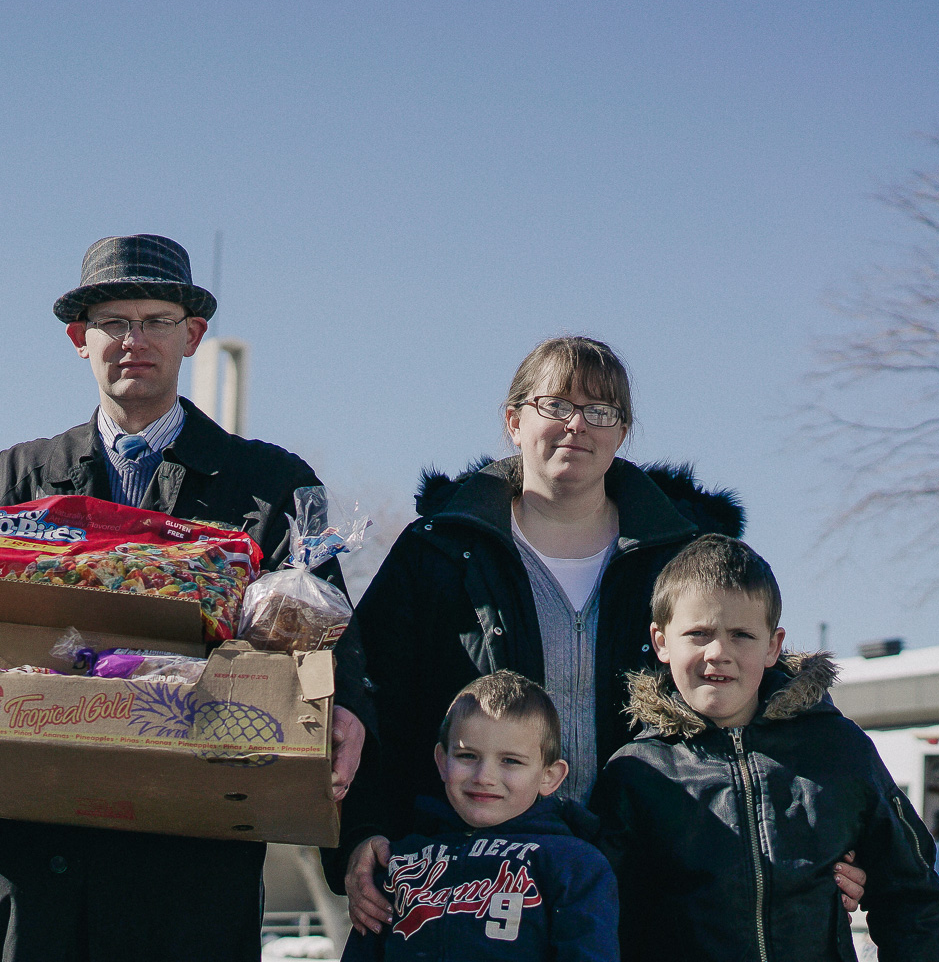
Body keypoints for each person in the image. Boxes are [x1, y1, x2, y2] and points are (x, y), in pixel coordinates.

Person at [0, 233, 372, 962]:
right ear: (78, 339)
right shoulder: (10, 483)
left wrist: (351, 710)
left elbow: (333, 644)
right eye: (113, 323)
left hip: (182, 864)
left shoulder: (269, 486)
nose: (133, 340)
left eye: (155, 321)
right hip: (17, 863)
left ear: (192, 336)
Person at [339, 336, 867, 932]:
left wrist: (829, 838)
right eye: (555, 405)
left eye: (600, 411)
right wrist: (362, 829)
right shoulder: (439, 552)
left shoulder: (686, 557)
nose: (577, 425)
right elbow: (367, 699)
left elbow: (764, 696)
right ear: (514, 421)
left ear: (622, 433)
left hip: (659, 876)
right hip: (476, 883)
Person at [589, 535, 939, 961]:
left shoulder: (838, 751)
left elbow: (910, 896)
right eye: (698, 634)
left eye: (741, 635)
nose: (718, 652)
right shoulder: (636, 773)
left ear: (773, 646)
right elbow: (598, 918)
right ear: (662, 641)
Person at [341, 671, 617, 962]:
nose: (484, 777)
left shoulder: (574, 864)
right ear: (441, 761)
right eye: (467, 756)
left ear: (550, 776)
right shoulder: (402, 861)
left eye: (510, 761)